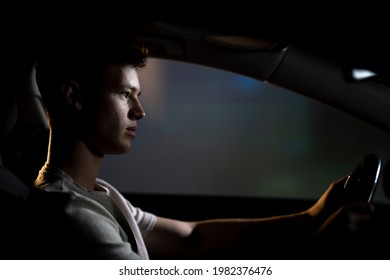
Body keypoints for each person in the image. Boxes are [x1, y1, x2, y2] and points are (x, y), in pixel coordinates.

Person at [29, 36, 375, 260]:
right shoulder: (72, 216)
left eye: (139, 95)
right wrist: (318, 249)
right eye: (124, 95)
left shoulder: (97, 195)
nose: (140, 111)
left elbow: (194, 238)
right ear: (74, 97)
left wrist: (313, 216)